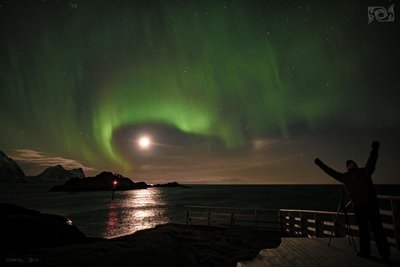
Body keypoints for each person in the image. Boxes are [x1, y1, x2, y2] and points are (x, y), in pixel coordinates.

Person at [314, 141, 390, 260]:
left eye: (352, 163)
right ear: (347, 167)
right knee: (363, 231)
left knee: (377, 229)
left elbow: (372, 162)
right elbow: (331, 172)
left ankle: (384, 253)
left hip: (371, 204)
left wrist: (374, 150)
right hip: (359, 206)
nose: (351, 164)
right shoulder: (345, 177)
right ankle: (365, 252)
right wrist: (320, 165)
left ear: (355, 165)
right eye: (349, 164)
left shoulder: (365, 172)